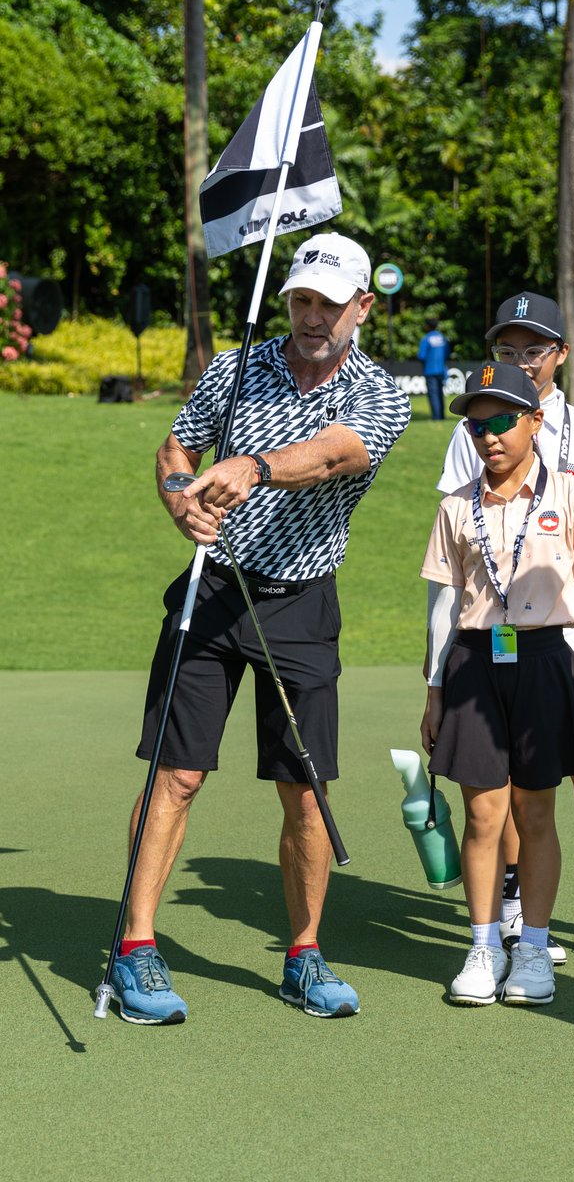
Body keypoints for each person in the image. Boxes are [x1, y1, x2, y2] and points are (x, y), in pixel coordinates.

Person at [110, 231, 411, 1025]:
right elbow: (177, 444)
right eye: (301, 300)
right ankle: (135, 947)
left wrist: (253, 465)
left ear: (363, 307)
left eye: (330, 303)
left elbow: (336, 453)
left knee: (304, 791)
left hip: (300, 604)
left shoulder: (383, 393)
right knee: (175, 774)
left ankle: (304, 957)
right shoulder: (236, 366)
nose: (313, 317)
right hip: (212, 594)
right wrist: (180, 497)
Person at [436, 291, 574, 963]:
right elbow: (459, 533)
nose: (521, 361)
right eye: (507, 351)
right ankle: (511, 910)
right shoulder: (471, 426)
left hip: (570, 629)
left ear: (560, 354)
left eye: (533, 350)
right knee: (510, 782)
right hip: (499, 628)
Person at [420, 363, 574, 1006]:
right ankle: (482, 945)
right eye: (476, 425)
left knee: (536, 809)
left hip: (548, 662)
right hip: (474, 665)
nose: (489, 436)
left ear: (536, 421)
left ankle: (533, 949)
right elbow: (443, 606)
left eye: (503, 421)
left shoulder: (572, 496)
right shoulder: (456, 506)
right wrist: (434, 686)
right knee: (483, 813)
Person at [418, 317, 449, 421]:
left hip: (430, 370)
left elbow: (421, 356)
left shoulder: (426, 339)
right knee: (440, 393)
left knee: (433, 394)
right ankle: (441, 416)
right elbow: (446, 353)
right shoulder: (442, 338)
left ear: (427, 326)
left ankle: (436, 417)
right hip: (441, 369)